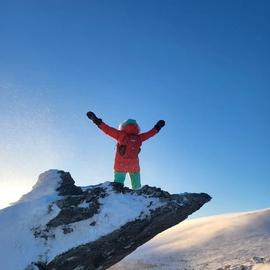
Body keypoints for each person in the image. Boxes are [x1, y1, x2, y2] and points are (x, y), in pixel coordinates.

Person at [86, 111, 165, 190]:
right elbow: (150, 133)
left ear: (123, 126)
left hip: (120, 164)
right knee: (137, 188)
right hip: (134, 166)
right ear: (137, 127)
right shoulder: (139, 138)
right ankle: (138, 198)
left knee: (117, 186)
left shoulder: (121, 135)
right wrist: (157, 127)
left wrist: (96, 120)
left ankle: (116, 197)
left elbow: (107, 129)